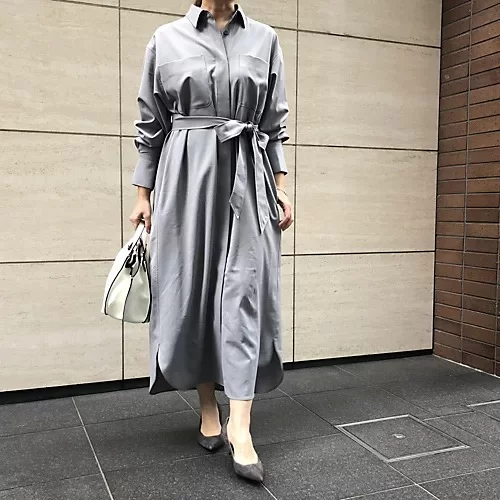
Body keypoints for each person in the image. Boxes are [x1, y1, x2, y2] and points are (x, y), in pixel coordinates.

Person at [129, 0, 293, 482]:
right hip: (185, 178)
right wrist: (142, 194)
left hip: (248, 174)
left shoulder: (264, 39)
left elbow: (273, 123)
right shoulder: (165, 40)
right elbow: (151, 124)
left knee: (244, 291)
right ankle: (208, 406)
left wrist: (281, 186)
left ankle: (241, 425)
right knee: (194, 289)